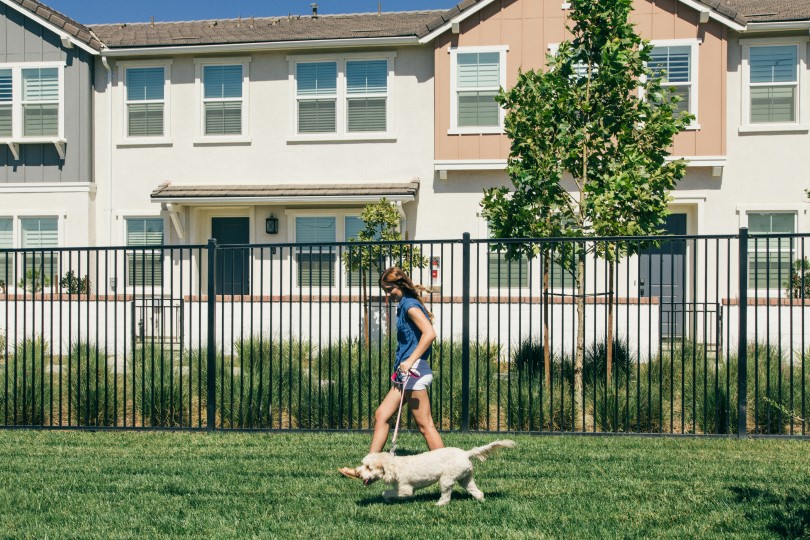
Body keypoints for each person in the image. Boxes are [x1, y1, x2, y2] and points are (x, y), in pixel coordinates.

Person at [339, 267, 444, 478]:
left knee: (425, 426)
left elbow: (429, 334)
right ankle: (367, 469)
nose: (388, 295)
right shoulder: (404, 304)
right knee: (382, 415)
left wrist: (409, 360)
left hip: (414, 373)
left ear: (399, 286)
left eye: (389, 290)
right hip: (407, 374)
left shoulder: (410, 306)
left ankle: (447, 467)